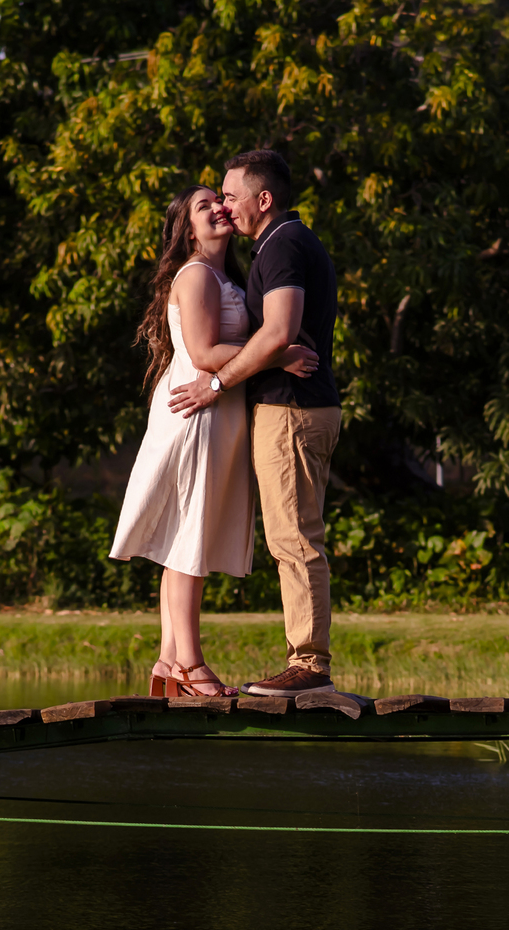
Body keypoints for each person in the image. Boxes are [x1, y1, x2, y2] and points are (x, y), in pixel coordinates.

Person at [111, 186, 317, 697]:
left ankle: (167, 662)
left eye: (220, 201)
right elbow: (204, 353)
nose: (219, 209)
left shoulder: (223, 276)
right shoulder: (198, 273)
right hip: (197, 411)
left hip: (216, 410)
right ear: (187, 229)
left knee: (185, 534)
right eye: (205, 206)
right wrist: (278, 354)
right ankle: (190, 665)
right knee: (189, 538)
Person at [170, 150, 341, 697]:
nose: (225, 204)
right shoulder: (276, 246)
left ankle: (309, 666)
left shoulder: (283, 244)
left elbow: (279, 331)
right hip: (292, 405)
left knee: (294, 538)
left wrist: (217, 384)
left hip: (293, 408)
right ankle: (302, 660)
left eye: (231, 195)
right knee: (291, 537)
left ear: (263, 200)